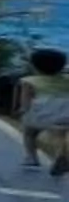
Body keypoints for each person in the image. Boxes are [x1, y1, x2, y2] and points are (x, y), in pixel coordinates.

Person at [17, 47, 69, 176]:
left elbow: (25, 102)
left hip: (41, 114)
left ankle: (31, 157)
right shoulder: (66, 80)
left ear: (35, 66)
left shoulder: (29, 81)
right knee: (59, 136)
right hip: (64, 114)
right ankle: (60, 156)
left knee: (29, 132)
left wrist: (22, 111)